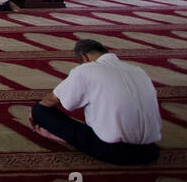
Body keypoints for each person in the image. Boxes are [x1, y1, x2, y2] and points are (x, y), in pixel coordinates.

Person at [30, 40, 161, 165]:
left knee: (39, 110)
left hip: (114, 152)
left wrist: (37, 113)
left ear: (84, 57)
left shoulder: (86, 69)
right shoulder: (138, 70)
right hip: (150, 150)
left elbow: (52, 100)